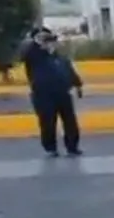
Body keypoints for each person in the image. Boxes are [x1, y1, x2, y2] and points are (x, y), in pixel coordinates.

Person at [22, 27, 83, 157]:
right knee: (47, 122)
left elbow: (69, 71)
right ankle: (51, 148)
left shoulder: (59, 58)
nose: (48, 42)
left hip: (62, 94)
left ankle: (72, 147)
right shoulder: (34, 56)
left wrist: (78, 85)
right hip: (43, 95)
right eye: (45, 40)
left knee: (70, 121)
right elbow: (26, 53)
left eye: (50, 40)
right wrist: (37, 41)